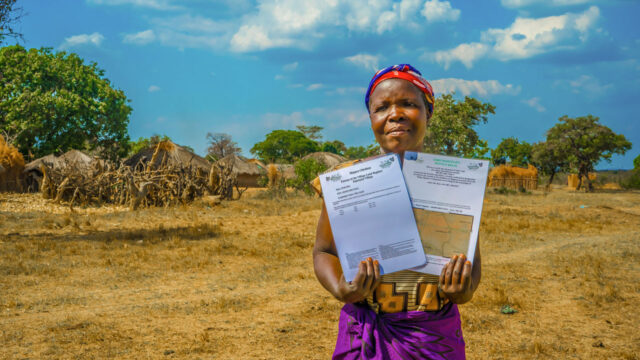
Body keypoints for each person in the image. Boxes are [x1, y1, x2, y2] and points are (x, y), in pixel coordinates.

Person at [313, 64, 481, 360]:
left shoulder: (454, 182)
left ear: (428, 112)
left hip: (433, 336)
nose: (395, 114)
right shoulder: (346, 180)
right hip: (366, 332)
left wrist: (462, 292)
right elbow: (324, 251)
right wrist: (342, 288)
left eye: (408, 104)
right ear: (371, 119)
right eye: (382, 108)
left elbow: (472, 264)